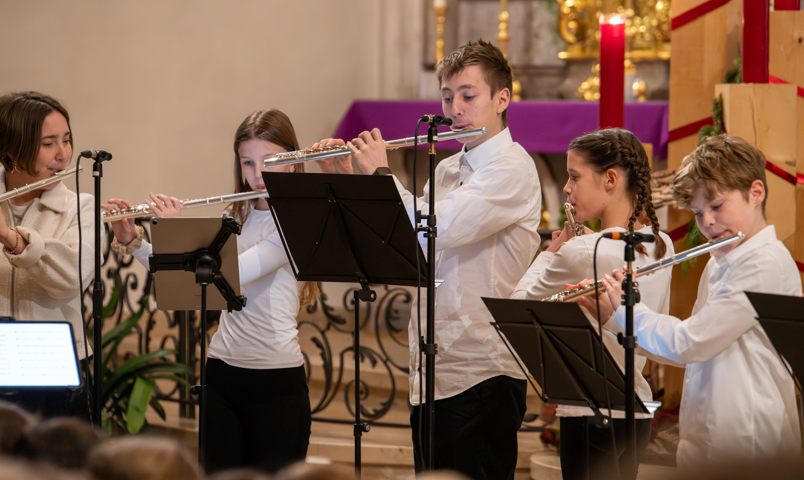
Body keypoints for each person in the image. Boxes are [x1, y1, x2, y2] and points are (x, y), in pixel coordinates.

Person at [315, 39, 542, 480]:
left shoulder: (512, 169)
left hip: (482, 370)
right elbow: (399, 243)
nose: (454, 109)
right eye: (447, 96)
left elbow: (433, 229)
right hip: (432, 368)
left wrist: (381, 174)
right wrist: (351, 182)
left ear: (502, 99)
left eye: (468, 96)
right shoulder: (446, 169)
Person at [105, 109, 316, 473]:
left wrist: (175, 231)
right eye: (248, 162)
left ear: (294, 162)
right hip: (222, 371)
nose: (257, 173)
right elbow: (194, 274)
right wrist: (135, 240)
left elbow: (233, 274)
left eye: (269, 161)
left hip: (276, 379)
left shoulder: (297, 220)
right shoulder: (238, 214)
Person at [594, 135, 802, 468]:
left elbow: (690, 343)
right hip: (708, 438)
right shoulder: (721, 261)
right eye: (698, 212)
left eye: (716, 206)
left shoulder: (763, 263)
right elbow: (689, 354)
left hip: (748, 442)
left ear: (755, 193)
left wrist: (628, 310)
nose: (707, 223)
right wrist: (613, 316)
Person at [510, 128, 674, 480]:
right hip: (636, 409)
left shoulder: (582, 250)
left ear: (610, 179)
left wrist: (552, 252)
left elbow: (518, 306)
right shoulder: (662, 242)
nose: (566, 188)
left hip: (589, 409)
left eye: (574, 176)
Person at [0, 91, 95, 418]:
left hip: (54, 374)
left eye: (66, 140)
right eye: (48, 143)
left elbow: (71, 279)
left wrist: (9, 237)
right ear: (12, 152)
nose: (63, 154)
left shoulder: (80, 207)